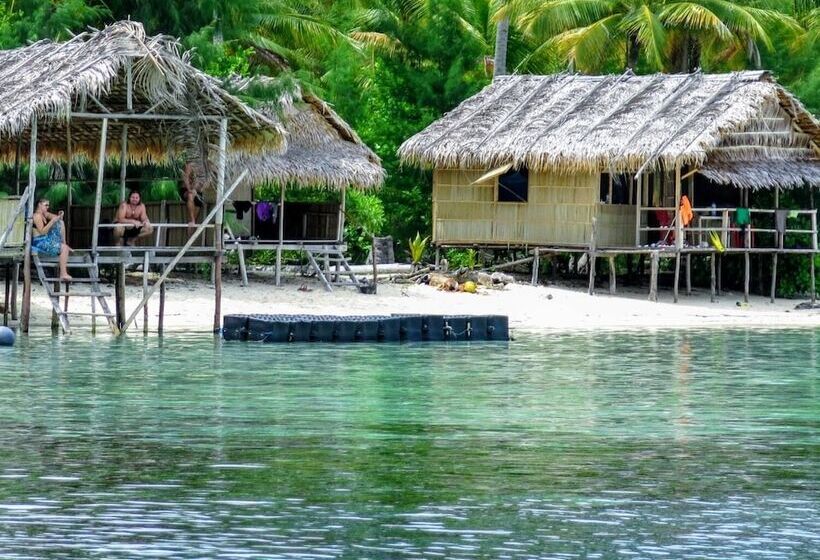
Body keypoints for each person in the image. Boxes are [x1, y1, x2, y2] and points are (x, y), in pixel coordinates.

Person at [31, 198, 73, 281]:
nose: (48, 207)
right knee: (64, 249)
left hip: (46, 239)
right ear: (39, 204)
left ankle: (64, 244)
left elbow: (57, 219)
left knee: (60, 222)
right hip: (39, 242)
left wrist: (60, 215)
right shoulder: (36, 216)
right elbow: (42, 232)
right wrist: (52, 221)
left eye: (48, 205)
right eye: (46, 205)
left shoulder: (44, 214)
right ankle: (63, 273)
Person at [181, 161, 205, 231]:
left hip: (197, 192)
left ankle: (191, 225)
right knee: (190, 196)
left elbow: (205, 182)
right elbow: (186, 178)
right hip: (186, 190)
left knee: (197, 203)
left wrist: (197, 189)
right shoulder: (190, 165)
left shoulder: (203, 167)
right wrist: (190, 189)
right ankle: (192, 220)